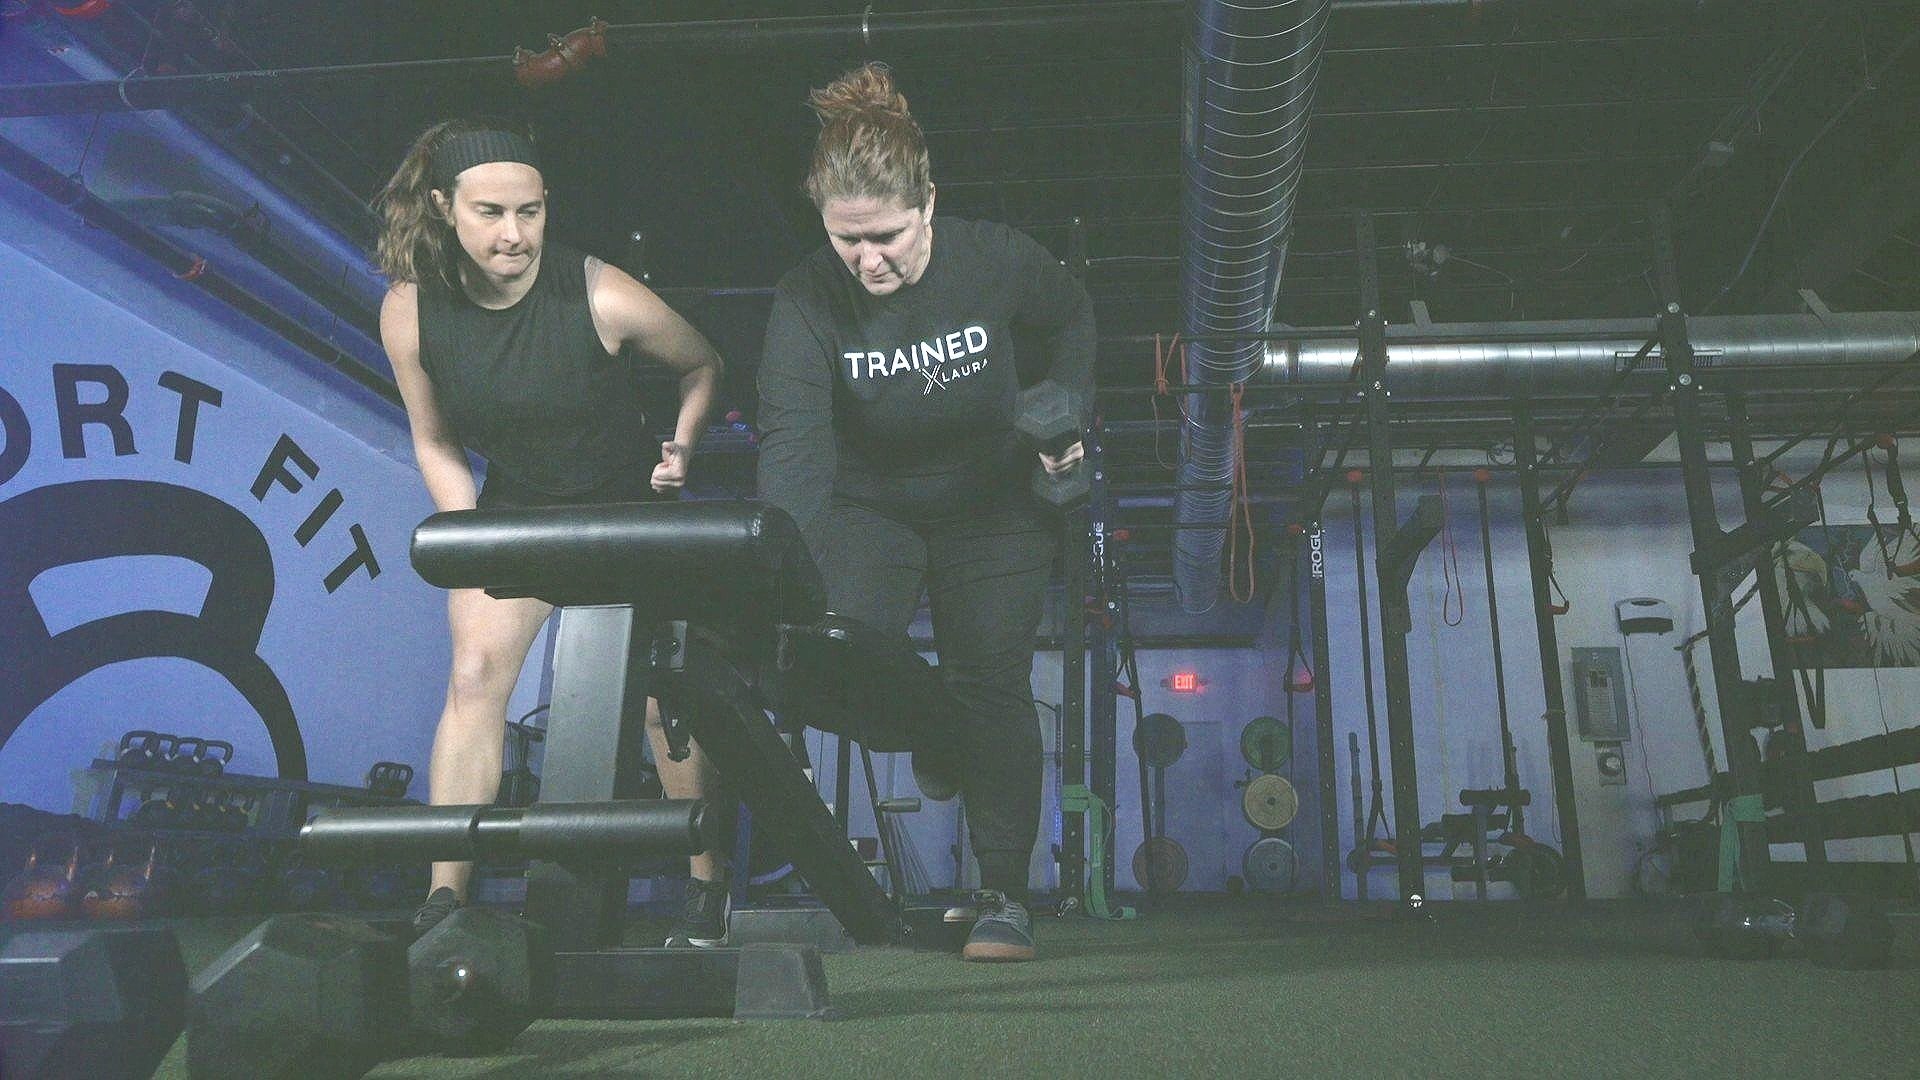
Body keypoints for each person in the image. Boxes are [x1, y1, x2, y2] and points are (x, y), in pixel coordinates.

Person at [755, 64, 1094, 963]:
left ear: (929, 204)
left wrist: (1066, 407)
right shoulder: (805, 299)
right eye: (847, 240)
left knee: (993, 679)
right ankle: (937, 731)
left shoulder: (1000, 257)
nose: (869, 261)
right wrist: (773, 568)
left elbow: (1073, 317)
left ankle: (1002, 895)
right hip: (874, 502)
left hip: (995, 501)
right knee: (834, 648)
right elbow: (793, 445)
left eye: (888, 238)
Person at [373, 118, 733, 946]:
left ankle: (706, 888)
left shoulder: (599, 290)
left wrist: (686, 441)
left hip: (628, 512)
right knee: (473, 675)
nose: (514, 234)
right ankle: (446, 899)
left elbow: (704, 363)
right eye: (492, 212)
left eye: (530, 212)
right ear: (444, 208)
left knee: (660, 701)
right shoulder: (410, 310)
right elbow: (434, 438)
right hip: (519, 509)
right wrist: (463, 530)